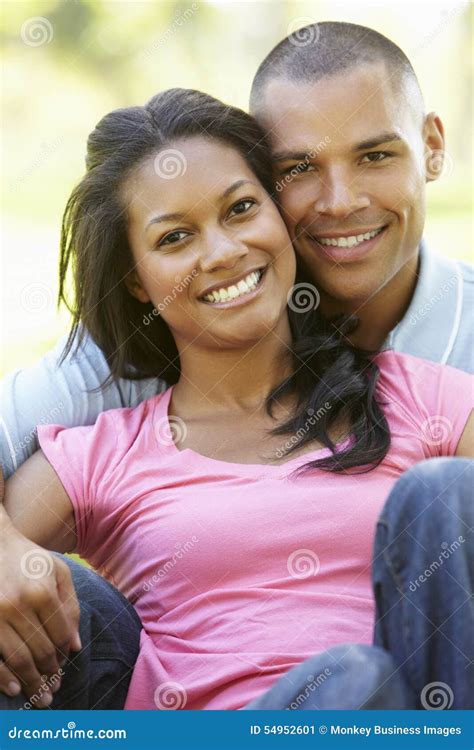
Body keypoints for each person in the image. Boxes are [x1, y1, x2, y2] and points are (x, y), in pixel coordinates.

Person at [0, 89, 473, 711]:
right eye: (174, 239)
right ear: (138, 281)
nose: (222, 253)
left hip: (406, 717)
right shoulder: (102, 455)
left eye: (242, 208)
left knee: (445, 498)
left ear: (281, 218)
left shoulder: (420, 397)